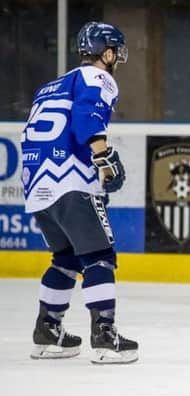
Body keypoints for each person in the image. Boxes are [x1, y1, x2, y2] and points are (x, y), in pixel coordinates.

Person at [22, 22, 138, 364]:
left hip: (38, 187)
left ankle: (48, 330)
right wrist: (102, 157)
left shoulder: (48, 87)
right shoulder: (98, 77)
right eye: (115, 50)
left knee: (66, 258)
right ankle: (105, 335)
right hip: (71, 182)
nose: (117, 58)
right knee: (100, 256)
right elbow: (87, 118)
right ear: (106, 52)